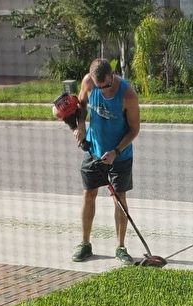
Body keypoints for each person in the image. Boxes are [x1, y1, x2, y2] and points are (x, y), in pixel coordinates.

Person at [71, 58, 141, 264]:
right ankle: (85, 244)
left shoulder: (127, 94)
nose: (104, 90)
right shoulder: (88, 83)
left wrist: (116, 151)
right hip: (93, 151)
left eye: (107, 85)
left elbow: (135, 129)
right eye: (99, 87)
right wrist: (81, 126)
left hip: (120, 154)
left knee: (119, 198)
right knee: (88, 194)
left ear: (112, 75)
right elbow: (81, 106)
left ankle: (120, 247)